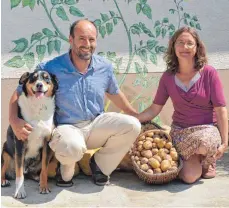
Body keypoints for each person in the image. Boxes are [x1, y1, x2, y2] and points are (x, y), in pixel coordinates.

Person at [9, 19, 141, 186]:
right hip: (67, 128)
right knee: (71, 149)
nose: (87, 44)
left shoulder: (104, 67)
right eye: (81, 38)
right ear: (70, 40)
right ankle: (65, 170)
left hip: (95, 124)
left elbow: (115, 93)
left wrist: (136, 115)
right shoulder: (51, 67)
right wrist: (14, 120)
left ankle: (100, 165)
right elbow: (18, 91)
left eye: (91, 39)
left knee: (133, 125)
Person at [136, 26, 228, 184]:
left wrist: (225, 141)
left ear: (197, 47)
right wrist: (134, 118)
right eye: (180, 42)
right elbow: (155, 108)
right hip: (181, 131)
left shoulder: (209, 73)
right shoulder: (167, 77)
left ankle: (208, 159)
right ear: (173, 46)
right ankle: (198, 160)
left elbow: (221, 110)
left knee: (204, 143)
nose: (184, 47)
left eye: (190, 43)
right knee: (189, 177)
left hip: (206, 129)